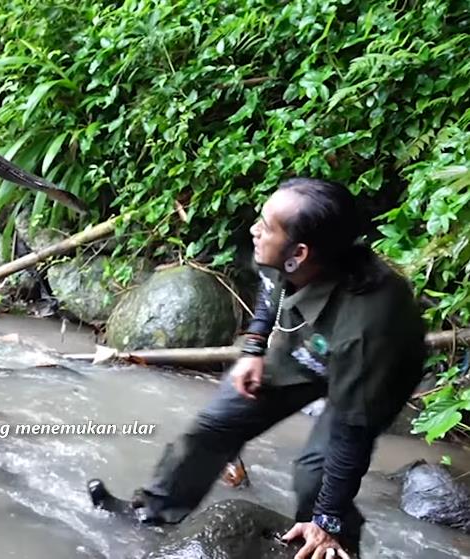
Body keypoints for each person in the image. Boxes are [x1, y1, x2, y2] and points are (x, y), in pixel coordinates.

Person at [89, 177, 427, 559]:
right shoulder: (284, 256)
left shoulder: (368, 326)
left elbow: (354, 432)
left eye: (265, 226)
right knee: (216, 423)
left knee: (315, 476)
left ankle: (331, 544)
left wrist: (327, 517)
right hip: (304, 344)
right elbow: (270, 297)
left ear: (299, 254)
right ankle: (153, 513)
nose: (254, 229)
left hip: (374, 370)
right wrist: (253, 348)